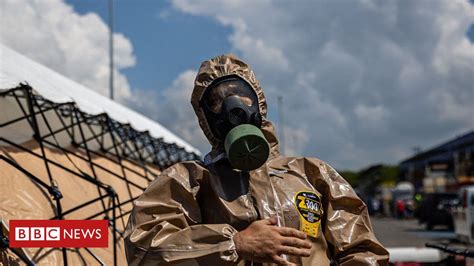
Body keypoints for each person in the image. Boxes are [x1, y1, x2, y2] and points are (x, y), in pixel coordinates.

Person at [124, 54, 389, 265]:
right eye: (217, 102)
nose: (233, 108)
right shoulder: (189, 181)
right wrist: (235, 243)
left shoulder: (311, 173)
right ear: (205, 117)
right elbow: (144, 247)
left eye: (242, 96)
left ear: (259, 103)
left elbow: (362, 249)